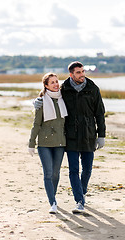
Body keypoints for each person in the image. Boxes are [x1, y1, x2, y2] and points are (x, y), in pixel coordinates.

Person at [34, 61, 106, 213]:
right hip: (71, 136)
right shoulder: (64, 89)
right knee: (74, 170)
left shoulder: (92, 89)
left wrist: (101, 135)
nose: (82, 75)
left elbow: (99, 113)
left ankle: (82, 190)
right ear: (71, 74)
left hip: (88, 135)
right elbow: (50, 96)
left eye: (83, 71)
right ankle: (79, 201)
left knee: (87, 169)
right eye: (78, 72)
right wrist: (36, 102)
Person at [28, 72, 68, 214]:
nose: (56, 84)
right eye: (52, 82)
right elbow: (36, 124)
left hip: (60, 143)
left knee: (56, 173)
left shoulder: (64, 99)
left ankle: (53, 196)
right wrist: (31, 143)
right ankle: (53, 202)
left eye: (57, 81)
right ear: (46, 85)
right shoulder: (41, 102)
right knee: (48, 173)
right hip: (44, 144)